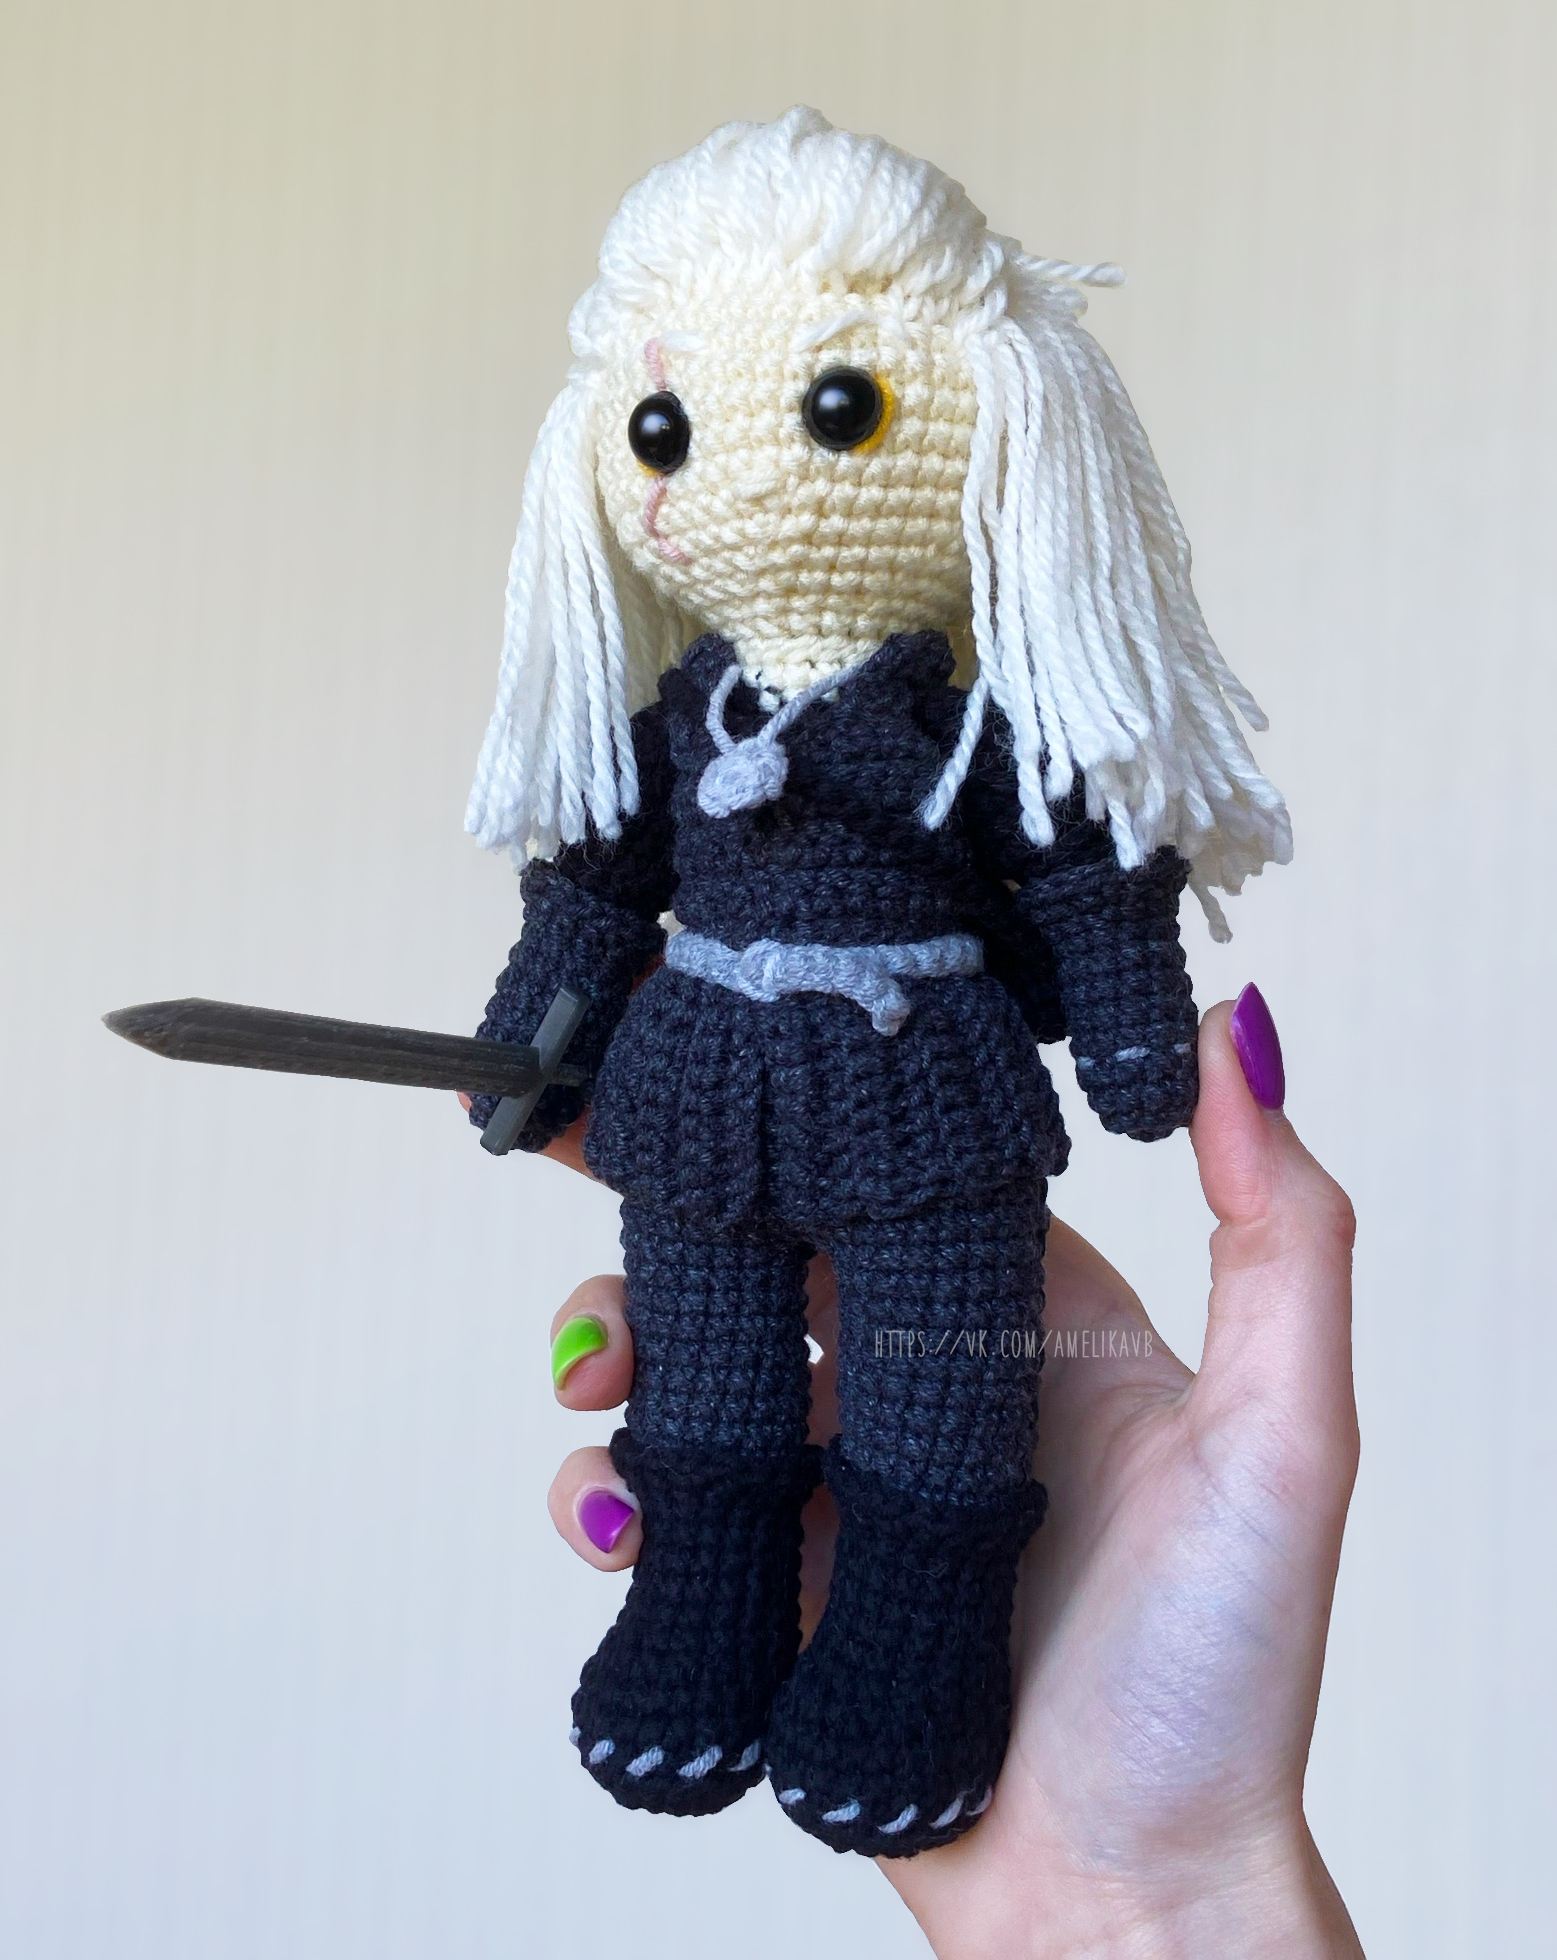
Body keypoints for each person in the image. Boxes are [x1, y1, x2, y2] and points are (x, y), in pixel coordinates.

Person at [531, 994, 1365, 1955]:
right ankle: (696, 1609)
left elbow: (1086, 910)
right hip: (707, 1098)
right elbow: (589, 908)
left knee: (937, 1412)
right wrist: (541, 1022)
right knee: (705, 1380)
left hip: (935, 1101)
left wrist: (1126, 1028)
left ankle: (911, 1659)